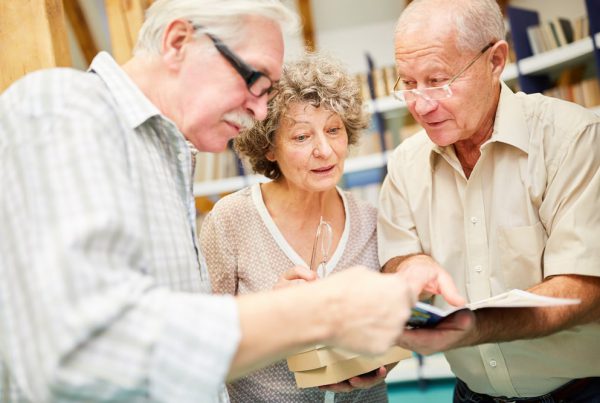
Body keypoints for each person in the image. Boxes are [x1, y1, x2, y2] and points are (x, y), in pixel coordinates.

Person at [0, 1, 465, 402]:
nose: (261, 111)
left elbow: (176, 350)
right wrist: (320, 310)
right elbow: (83, 350)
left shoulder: (168, 158)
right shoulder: (63, 108)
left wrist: (296, 331)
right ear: (179, 41)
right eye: (254, 79)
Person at [378, 0, 600, 401]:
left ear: (495, 60)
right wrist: (409, 265)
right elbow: (397, 259)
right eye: (407, 83)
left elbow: (584, 290)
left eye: (438, 79)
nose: (421, 105)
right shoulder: (405, 164)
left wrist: (477, 325)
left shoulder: (574, 139)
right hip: (470, 395)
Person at [202, 52, 392, 402]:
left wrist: (380, 359)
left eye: (334, 130)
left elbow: (389, 330)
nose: (325, 150)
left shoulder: (370, 219)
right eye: (302, 137)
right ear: (269, 147)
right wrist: (272, 316)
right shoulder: (230, 220)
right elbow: (204, 341)